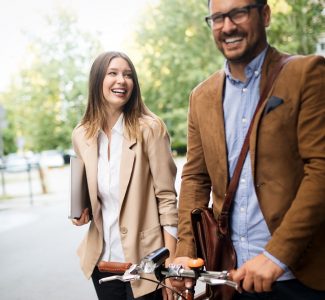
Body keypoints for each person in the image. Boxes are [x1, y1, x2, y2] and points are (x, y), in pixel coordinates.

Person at [172, 0, 325, 299]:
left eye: (238, 13)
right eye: (217, 18)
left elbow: (321, 168)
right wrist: (184, 253)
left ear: (264, 14)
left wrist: (276, 256)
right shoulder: (200, 97)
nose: (227, 27)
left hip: (299, 277)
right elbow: (195, 179)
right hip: (231, 280)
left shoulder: (307, 74)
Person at [71, 51, 178, 300]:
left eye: (128, 75)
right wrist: (80, 211)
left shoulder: (151, 129)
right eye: (113, 73)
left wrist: (170, 265)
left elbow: (167, 200)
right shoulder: (81, 134)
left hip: (147, 265)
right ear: (97, 81)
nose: (122, 80)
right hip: (104, 265)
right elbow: (82, 199)